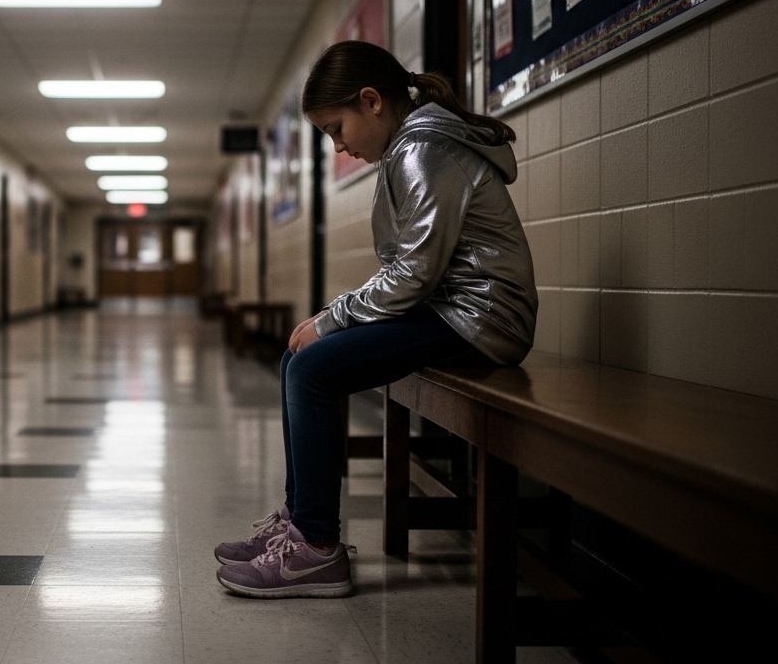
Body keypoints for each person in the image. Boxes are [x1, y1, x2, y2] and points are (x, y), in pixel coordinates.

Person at [215, 41, 539, 598]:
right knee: (298, 359)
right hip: (451, 310)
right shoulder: (410, 148)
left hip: (483, 318)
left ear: (371, 101)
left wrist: (333, 318)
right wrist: (333, 318)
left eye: (336, 129)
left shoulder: (424, 149)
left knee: (310, 369)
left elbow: (415, 272)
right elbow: (413, 271)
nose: (339, 146)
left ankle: (316, 548)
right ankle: (300, 524)